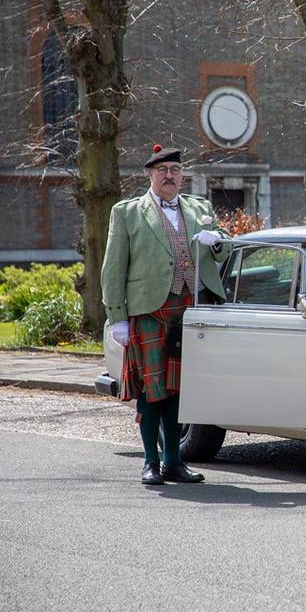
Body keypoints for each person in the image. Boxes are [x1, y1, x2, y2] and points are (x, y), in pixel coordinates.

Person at [101, 144, 232, 485]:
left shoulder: (199, 208)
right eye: (162, 171)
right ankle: (150, 461)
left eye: (174, 170)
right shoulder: (127, 212)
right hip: (150, 310)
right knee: (151, 388)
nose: (169, 176)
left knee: (178, 389)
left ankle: (174, 462)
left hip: (190, 310)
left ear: (182, 175)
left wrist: (216, 241)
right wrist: (117, 317)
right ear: (150, 175)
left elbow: (224, 250)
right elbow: (113, 268)